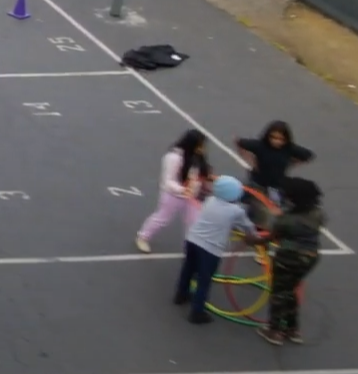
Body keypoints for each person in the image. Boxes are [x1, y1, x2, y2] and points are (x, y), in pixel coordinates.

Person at [176, 176, 268, 324]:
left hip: (192, 239)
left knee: (188, 269)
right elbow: (247, 227)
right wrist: (257, 238)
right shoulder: (235, 211)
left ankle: (181, 295)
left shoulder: (210, 200)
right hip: (210, 249)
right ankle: (197, 313)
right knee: (204, 280)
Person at [259, 177, 324, 345]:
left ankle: (274, 331)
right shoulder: (318, 214)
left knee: (279, 292)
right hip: (310, 258)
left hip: (288, 258)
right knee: (291, 289)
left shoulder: (286, 220)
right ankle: (292, 329)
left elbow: (271, 237)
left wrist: (253, 240)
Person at [135, 130, 210, 253]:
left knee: (194, 222)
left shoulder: (198, 156)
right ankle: (143, 237)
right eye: (201, 145)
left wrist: (201, 187)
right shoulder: (173, 157)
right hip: (173, 195)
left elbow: (200, 174)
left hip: (192, 196)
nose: (203, 148)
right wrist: (183, 190)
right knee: (162, 218)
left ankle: (191, 247)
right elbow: (167, 181)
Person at [237, 121, 312, 229]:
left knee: (274, 211)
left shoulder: (289, 149)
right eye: (273, 137)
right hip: (258, 184)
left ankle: (259, 227)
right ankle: (253, 227)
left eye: (281, 139)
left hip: (276, 186)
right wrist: (250, 160)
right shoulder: (260, 146)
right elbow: (239, 142)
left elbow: (308, 155)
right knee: (257, 209)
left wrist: (291, 163)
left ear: (286, 139)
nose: (276, 141)